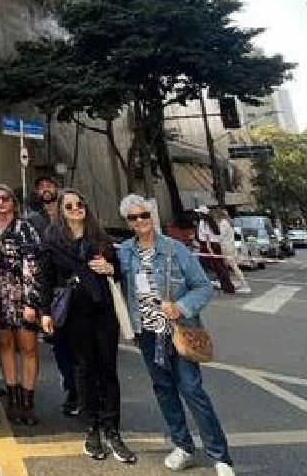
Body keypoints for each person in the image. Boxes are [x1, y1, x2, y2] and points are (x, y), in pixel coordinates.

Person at [119, 194, 234, 475]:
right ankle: (182, 445)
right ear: (128, 222)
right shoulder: (124, 251)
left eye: (144, 215)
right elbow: (120, 286)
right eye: (133, 217)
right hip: (147, 333)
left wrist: (181, 307)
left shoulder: (174, 250)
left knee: (192, 390)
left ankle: (220, 456)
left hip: (177, 331)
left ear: (151, 216)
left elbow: (204, 287)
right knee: (164, 390)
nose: (140, 221)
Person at [39, 189, 136, 464]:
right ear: (60, 210)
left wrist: (110, 269)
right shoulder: (53, 240)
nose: (75, 209)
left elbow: (118, 270)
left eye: (79, 204)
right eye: (68, 206)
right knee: (83, 370)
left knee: (108, 370)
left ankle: (113, 430)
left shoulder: (101, 239)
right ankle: (91, 428)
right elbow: (45, 278)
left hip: (103, 311)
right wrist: (45, 312)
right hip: (74, 314)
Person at [26, 170, 78, 416]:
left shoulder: (73, 213)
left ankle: (85, 390)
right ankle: (72, 389)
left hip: (79, 291)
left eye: (50, 185)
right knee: (61, 346)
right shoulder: (34, 220)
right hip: (54, 292)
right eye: (41, 186)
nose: (46, 189)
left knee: (83, 347)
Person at [0, 184, 43, 426]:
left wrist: (31, 301)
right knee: (5, 345)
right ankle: (12, 399)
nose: (0, 203)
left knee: (29, 348)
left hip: (22, 296)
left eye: (5, 198)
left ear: (13, 201)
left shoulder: (25, 229)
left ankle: (27, 401)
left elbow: (32, 267)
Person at [194, 207, 234, 294]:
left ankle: (200, 287)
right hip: (214, 245)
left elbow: (207, 237)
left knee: (203, 267)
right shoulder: (211, 221)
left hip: (207, 246)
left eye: (199, 213)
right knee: (219, 267)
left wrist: (210, 249)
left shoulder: (203, 223)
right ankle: (228, 287)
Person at [212, 207, 250, 294]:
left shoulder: (223, 224)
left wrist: (213, 238)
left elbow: (220, 236)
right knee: (224, 265)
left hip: (226, 247)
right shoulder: (227, 223)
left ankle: (245, 285)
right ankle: (223, 281)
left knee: (233, 266)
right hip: (229, 246)